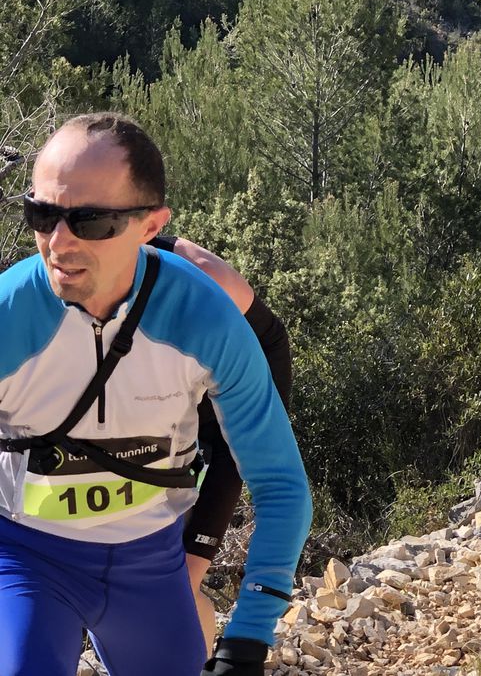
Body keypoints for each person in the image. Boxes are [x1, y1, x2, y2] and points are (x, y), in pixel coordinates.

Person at [0, 112, 311, 676]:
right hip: (28, 559)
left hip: (151, 563)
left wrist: (246, 640)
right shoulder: (8, 316)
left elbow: (282, 488)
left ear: (150, 225)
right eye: (41, 214)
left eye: (89, 220)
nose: (57, 242)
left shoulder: (204, 316)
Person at [148, 235, 293, 656]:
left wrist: (199, 552)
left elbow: (243, 469)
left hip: (254, 360)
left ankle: (201, 647)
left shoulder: (195, 276)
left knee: (185, 575)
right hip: (186, 378)